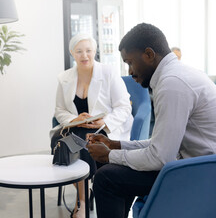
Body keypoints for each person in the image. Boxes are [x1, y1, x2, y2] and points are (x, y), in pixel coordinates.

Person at [86, 23, 216, 218]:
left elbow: (160, 157)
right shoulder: (177, 75)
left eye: (130, 62)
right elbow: (162, 144)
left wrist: (108, 155)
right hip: (196, 165)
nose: (129, 72)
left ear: (148, 54)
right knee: (112, 169)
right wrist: (115, 145)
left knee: (106, 178)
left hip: (202, 173)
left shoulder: (172, 84)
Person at [50, 33, 133, 218]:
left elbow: (124, 106)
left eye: (88, 50)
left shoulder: (108, 72)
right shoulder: (64, 78)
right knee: (58, 140)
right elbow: (59, 109)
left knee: (83, 142)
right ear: (72, 52)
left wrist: (105, 121)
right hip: (76, 127)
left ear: (95, 51)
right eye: (79, 51)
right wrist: (74, 118)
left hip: (105, 129)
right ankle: (84, 193)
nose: (84, 55)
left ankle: (82, 202)